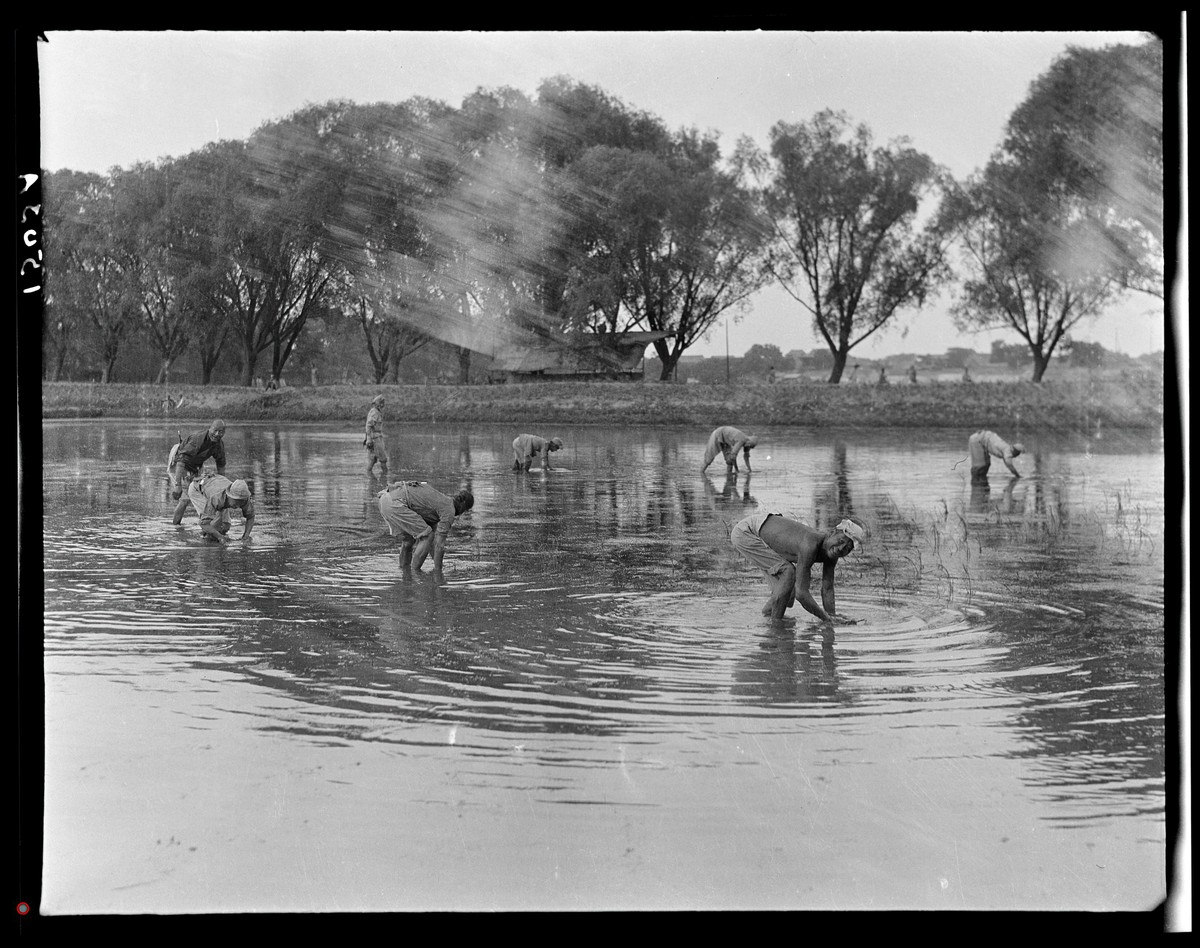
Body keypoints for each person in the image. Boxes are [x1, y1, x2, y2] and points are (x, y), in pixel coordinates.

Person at [731, 513, 866, 623]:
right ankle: (776, 629)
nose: (841, 548)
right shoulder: (810, 544)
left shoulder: (832, 554)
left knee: (788, 596)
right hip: (747, 532)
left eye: (848, 548)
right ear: (832, 533)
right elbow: (802, 594)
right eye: (841, 541)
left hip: (759, 530)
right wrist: (826, 618)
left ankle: (768, 615)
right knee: (788, 573)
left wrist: (832, 615)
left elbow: (828, 588)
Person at [377, 480, 474, 572]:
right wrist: (438, 572)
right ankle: (415, 574)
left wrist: (438, 564)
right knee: (427, 536)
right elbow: (439, 546)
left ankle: (405, 573)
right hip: (397, 503)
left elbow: (433, 545)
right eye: (465, 511)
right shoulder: (449, 510)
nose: (461, 514)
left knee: (408, 541)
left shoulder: (440, 502)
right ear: (463, 505)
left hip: (386, 498)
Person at [169, 419, 227, 523]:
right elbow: (181, 461)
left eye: (221, 432)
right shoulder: (197, 440)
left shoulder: (219, 444)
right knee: (184, 499)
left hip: (196, 466)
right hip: (178, 464)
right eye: (215, 430)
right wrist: (178, 485)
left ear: (224, 433)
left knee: (203, 494)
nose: (217, 434)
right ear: (210, 429)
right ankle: (176, 529)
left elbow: (221, 465)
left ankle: (208, 523)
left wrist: (222, 487)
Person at [184, 473, 255, 542]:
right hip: (197, 489)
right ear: (229, 495)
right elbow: (204, 524)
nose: (238, 505)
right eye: (235, 501)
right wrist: (220, 537)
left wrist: (245, 537)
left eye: (240, 502)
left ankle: (211, 539)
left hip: (214, 483)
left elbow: (251, 516)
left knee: (225, 525)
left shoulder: (244, 498)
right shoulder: (216, 498)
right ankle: (206, 544)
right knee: (213, 526)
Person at [364, 394, 389, 478]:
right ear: (379, 404)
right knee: (383, 459)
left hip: (376, 437)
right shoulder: (375, 413)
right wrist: (369, 439)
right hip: (375, 438)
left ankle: (369, 475)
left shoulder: (376, 411)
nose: (383, 405)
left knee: (372, 459)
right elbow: (369, 426)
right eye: (382, 403)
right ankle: (386, 475)